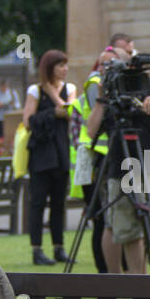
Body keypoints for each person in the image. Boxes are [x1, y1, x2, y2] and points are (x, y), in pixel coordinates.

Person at [85, 54, 150, 277]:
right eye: (103, 65)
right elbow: (91, 131)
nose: (107, 68)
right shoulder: (107, 93)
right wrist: (102, 98)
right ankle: (139, 287)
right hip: (119, 167)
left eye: (111, 64)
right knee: (128, 232)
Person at [22, 50, 76, 266]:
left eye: (66, 64)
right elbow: (28, 121)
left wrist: (53, 96)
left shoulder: (69, 88)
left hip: (61, 152)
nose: (65, 69)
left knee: (58, 204)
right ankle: (37, 249)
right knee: (37, 203)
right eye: (60, 65)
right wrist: (55, 111)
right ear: (50, 67)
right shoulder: (34, 90)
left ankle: (58, 247)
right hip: (41, 155)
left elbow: (69, 111)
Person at [68, 49, 115, 273]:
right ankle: (105, 273)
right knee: (101, 220)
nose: (108, 69)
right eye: (105, 65)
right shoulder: (95, 85)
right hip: (96, 161)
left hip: (104, 160)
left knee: (108, 221)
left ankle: (113, 272)